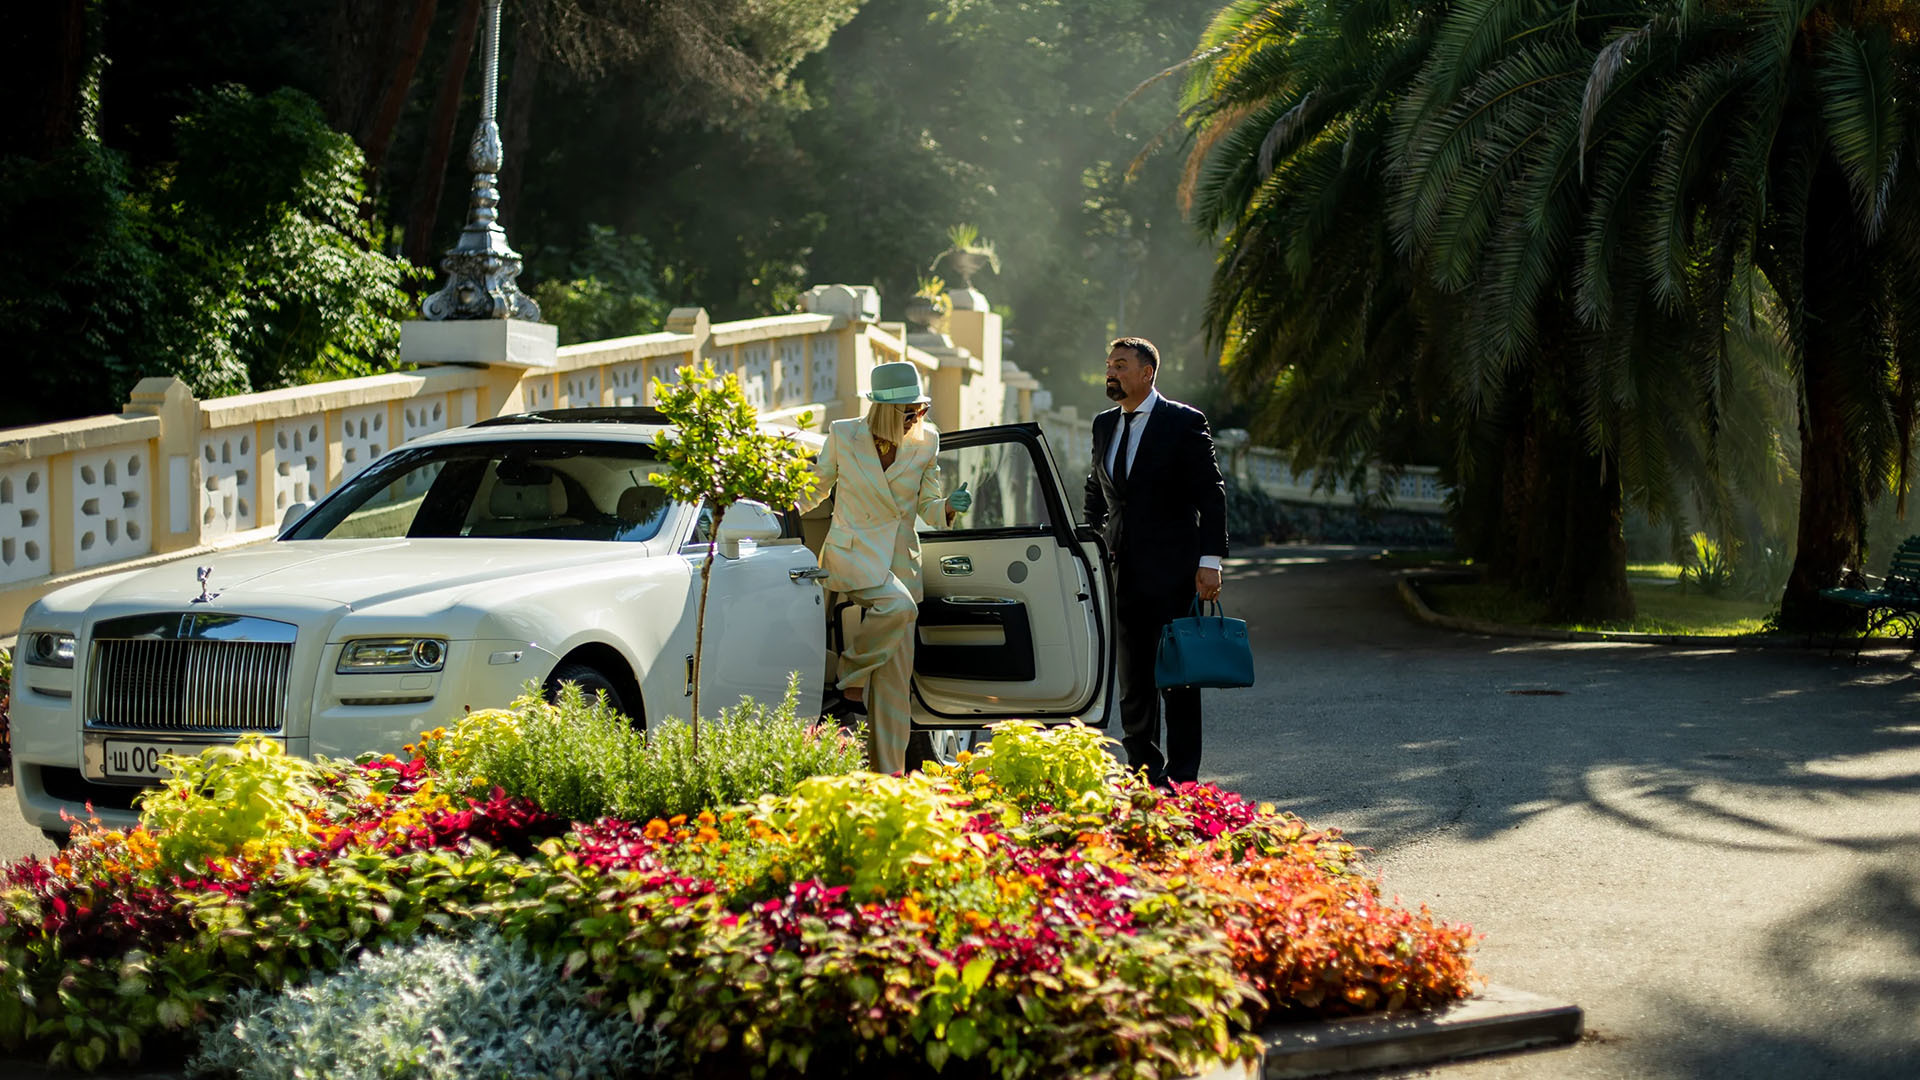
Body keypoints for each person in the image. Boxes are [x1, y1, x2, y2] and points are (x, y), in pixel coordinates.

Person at [799, 360, 971, 773]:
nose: (919, 416)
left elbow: (928, 507)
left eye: (922, 409)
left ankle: (888, 779)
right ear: (886, 409)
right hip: (851, 555)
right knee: (899, 606)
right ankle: (851, 674)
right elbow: (813, 490)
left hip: (900, 564)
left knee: (895, 688)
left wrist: (948, 506)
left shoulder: (927, 440)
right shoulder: (843, 434)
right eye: (911, 410)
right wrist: (769, 506)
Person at [1083, 336, 1227, 787]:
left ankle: (1184, 777)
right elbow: (1096, 489)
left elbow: (1211, 493)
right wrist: (1093, 538)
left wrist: (1210, 560)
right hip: (1120, 571)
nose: (1112, 372)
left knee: (1179, 678)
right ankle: (1145, 771)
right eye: (1109, 364)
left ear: (1147, 373)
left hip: (1174, 571)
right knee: (1134, 679)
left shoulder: (1183, 422)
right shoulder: (1104, 424)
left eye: (1121, 365)